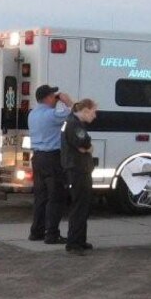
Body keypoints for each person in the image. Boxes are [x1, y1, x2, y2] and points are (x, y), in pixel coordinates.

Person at [28, 85, 74, 244]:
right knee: (56, 197)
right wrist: (68, 101)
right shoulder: (51, 115)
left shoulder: (32, 114)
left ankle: (36, 231)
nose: (56, 98)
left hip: (38, 158)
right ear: (47, 98)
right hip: (52, 158)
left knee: (40, 197)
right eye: (54, 95)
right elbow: (76, 114)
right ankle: (52, 234)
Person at [61, 98, 98, 256]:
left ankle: (80, 240)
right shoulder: (74, 124)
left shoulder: (71, 122)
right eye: (94, 112)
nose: (95, 116)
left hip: (78, 169)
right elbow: (84, 144)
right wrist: (88, 148)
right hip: (77, 170)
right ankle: (74, 243)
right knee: (79, 207)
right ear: (85, 110)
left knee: (83, 206)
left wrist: (86, 148)